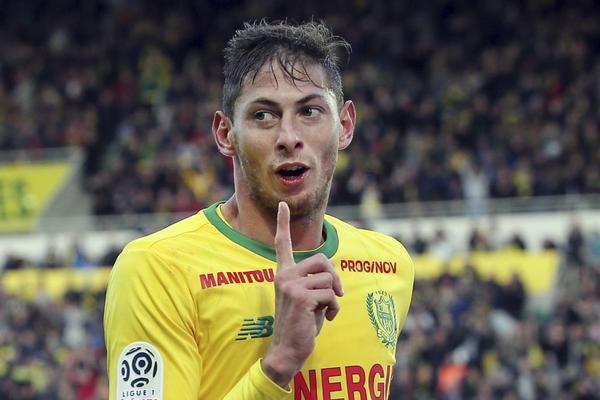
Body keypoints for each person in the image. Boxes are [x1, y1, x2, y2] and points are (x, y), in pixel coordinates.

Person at [104, 20, 414, 400]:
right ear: (225, 134)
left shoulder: (388, 265)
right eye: (263, 115)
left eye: (310, 111)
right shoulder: (158, 270)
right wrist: (279, 362)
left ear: (345, 125)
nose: (288, 138)